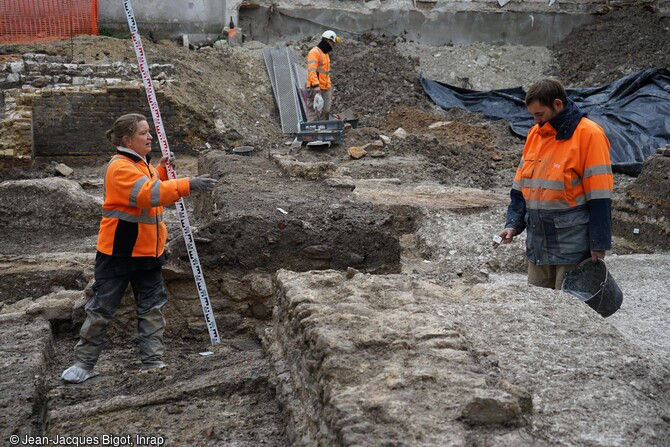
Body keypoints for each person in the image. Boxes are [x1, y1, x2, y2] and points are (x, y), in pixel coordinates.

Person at [61, 113, 217, 383]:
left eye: (149, 132)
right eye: (144, 133)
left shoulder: (138, 162)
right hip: (119, 253)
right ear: (127, 139)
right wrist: (187, 184)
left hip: (148, 252)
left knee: (153, 307)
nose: (150, 137)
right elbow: (147, 193)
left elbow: (150, 181)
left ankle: (153, 361)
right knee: (101, 309)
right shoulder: (118, 166)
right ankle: (83, 364)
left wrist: (163, 171)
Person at [494, 79, 614, 290]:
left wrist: (598, 244)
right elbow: (521, 187)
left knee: (569, 307)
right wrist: (513, 224)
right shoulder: (535, 134)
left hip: (572, 248)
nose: (535, 120)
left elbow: (600, 195)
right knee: (540, 309)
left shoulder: (589, 135)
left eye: (539, 114)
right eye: (533, 115)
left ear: (557, 104)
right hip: (538, 245)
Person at [306, 30, 340, 121]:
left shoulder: (325, 54)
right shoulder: (314, 52)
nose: (333, 46)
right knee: (313, 111)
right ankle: (310, 133)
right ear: (328, 41)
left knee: (326, 111)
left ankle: (322, 132)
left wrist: (328, 85)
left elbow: (325, 73)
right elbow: (312, 71)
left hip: (326, 87)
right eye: (333, 43)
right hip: (316, 88)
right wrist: (316, 86)